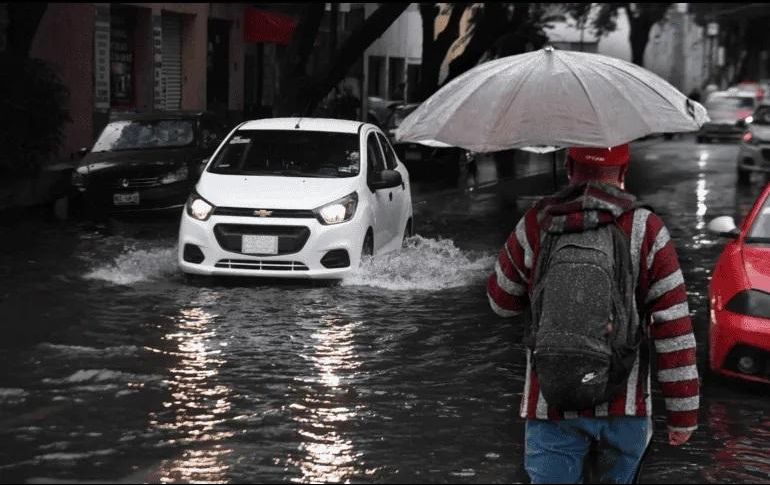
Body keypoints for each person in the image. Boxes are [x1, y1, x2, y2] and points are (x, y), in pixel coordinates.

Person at [487, 144, 699, 484]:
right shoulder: (648, 229)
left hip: (550, 406)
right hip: (625, 411)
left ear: (569, 166)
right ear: (624, 172)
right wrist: (683, 414)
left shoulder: (536, 222)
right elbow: (674, 330)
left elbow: (501, 303)